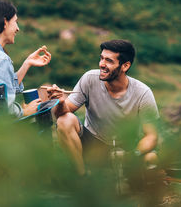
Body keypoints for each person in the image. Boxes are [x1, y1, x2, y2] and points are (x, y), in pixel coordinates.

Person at [47, 39, 159, 176]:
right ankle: (82, 177)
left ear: (125, 66)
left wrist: (133, 155)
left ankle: (123, 178)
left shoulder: (143, 93)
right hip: (93, 145)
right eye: (101, 58)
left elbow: (152, 136)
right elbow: (62, 114)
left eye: (109, 61)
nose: (102, 64)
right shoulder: (89, 79)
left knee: (151, 158)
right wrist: (60, 102)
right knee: (65, 120)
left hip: (124, 151)